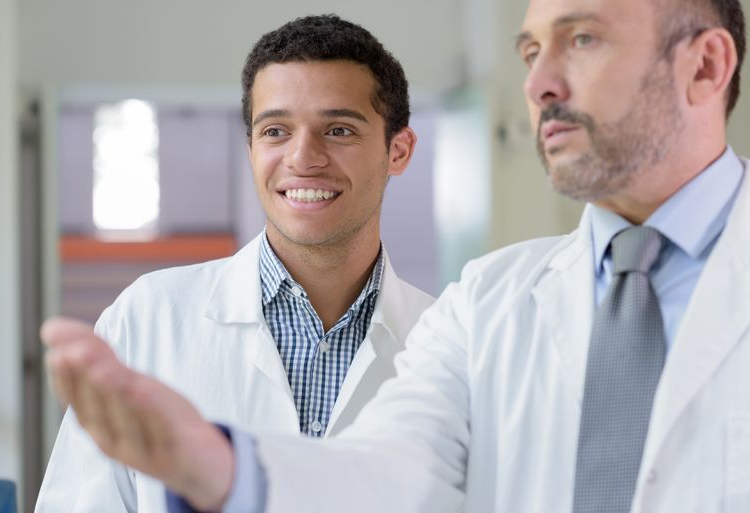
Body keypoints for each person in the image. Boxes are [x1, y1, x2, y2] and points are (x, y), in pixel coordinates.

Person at [41, 0, 750, 511]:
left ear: (706, 64)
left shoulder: (445, 310)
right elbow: (390, 474)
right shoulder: (486, 301)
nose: (537, 85)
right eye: (531, 52)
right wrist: (223, 468)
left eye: (583, 39)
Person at [35, 15, 435, 513]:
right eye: (275, 130)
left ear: (398, 150)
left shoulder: (447, 342)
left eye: (338, 129)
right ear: (250, 148)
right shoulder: (150, 317)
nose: (303, 157)